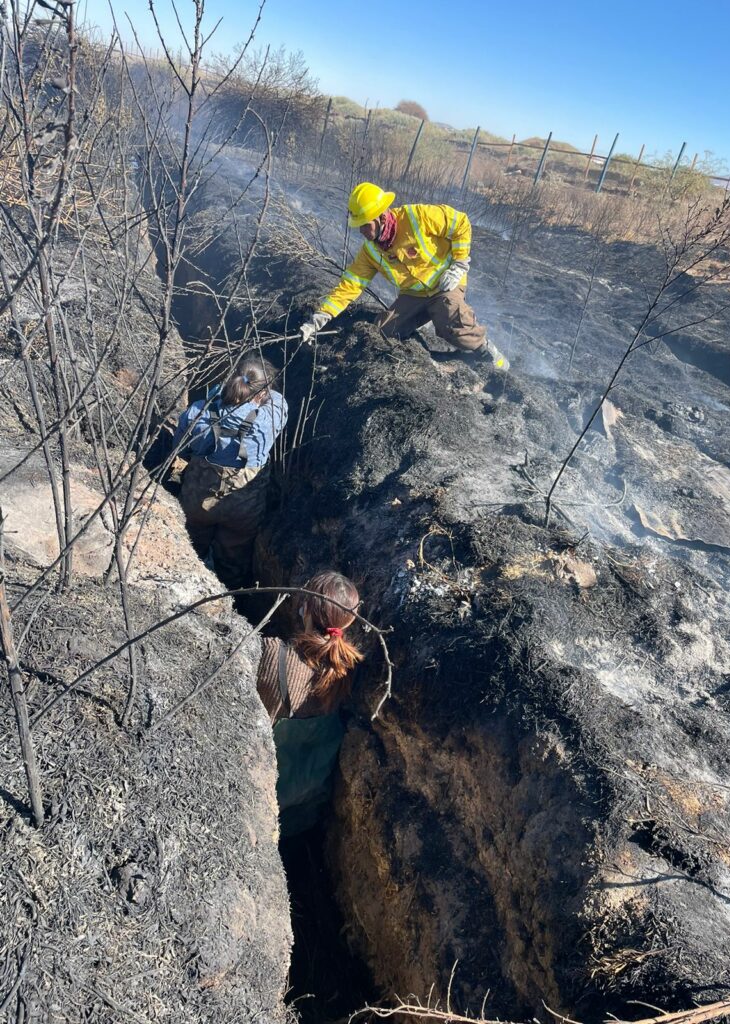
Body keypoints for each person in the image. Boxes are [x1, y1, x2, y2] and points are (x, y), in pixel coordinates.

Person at [298, 181, 510, 371]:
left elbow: (460, 223)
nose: (361, 230)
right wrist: (318, 319)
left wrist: (459, 264)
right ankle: (425, 354)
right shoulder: (370, 251)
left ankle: (486, 350)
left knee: (450, 319)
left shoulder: (417, 217)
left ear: (381, 217)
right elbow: (349, 286)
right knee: (382, 332)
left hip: (446, 283)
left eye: (365, 224)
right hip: (415, 294)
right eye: (359, 225)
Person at [256, 571, 364, 837]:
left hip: (268, 795)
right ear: (349, 620)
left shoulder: (273, 655)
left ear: (305, 608)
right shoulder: (349, 667)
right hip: (309, 797)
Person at [173, 351, 287, 590]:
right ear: (263, 393)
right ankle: (228, 592)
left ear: (231, 381)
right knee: (233, 557)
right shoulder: (270, 417)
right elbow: (276, 397)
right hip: (244, 509)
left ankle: (192, 584)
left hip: (198, 500)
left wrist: (221, 392)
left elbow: (181, 452)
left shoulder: (197, 412)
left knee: (191, 546)